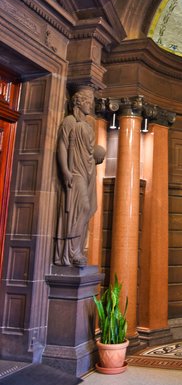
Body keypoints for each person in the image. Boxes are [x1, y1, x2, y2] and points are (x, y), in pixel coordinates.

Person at [54, 88, 105, 267]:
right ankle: (71, 250)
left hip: (88, 171)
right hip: (75, 172)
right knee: (81, 207)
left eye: (91, 102)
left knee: (89, 207)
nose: (90, 105)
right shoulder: (69, 121)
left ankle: (78, 248)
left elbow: (90, 151)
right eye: (87, 102)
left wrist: (99, 153)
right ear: (78, 102)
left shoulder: (87, 125)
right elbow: (62, 145)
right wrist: (66, 171)